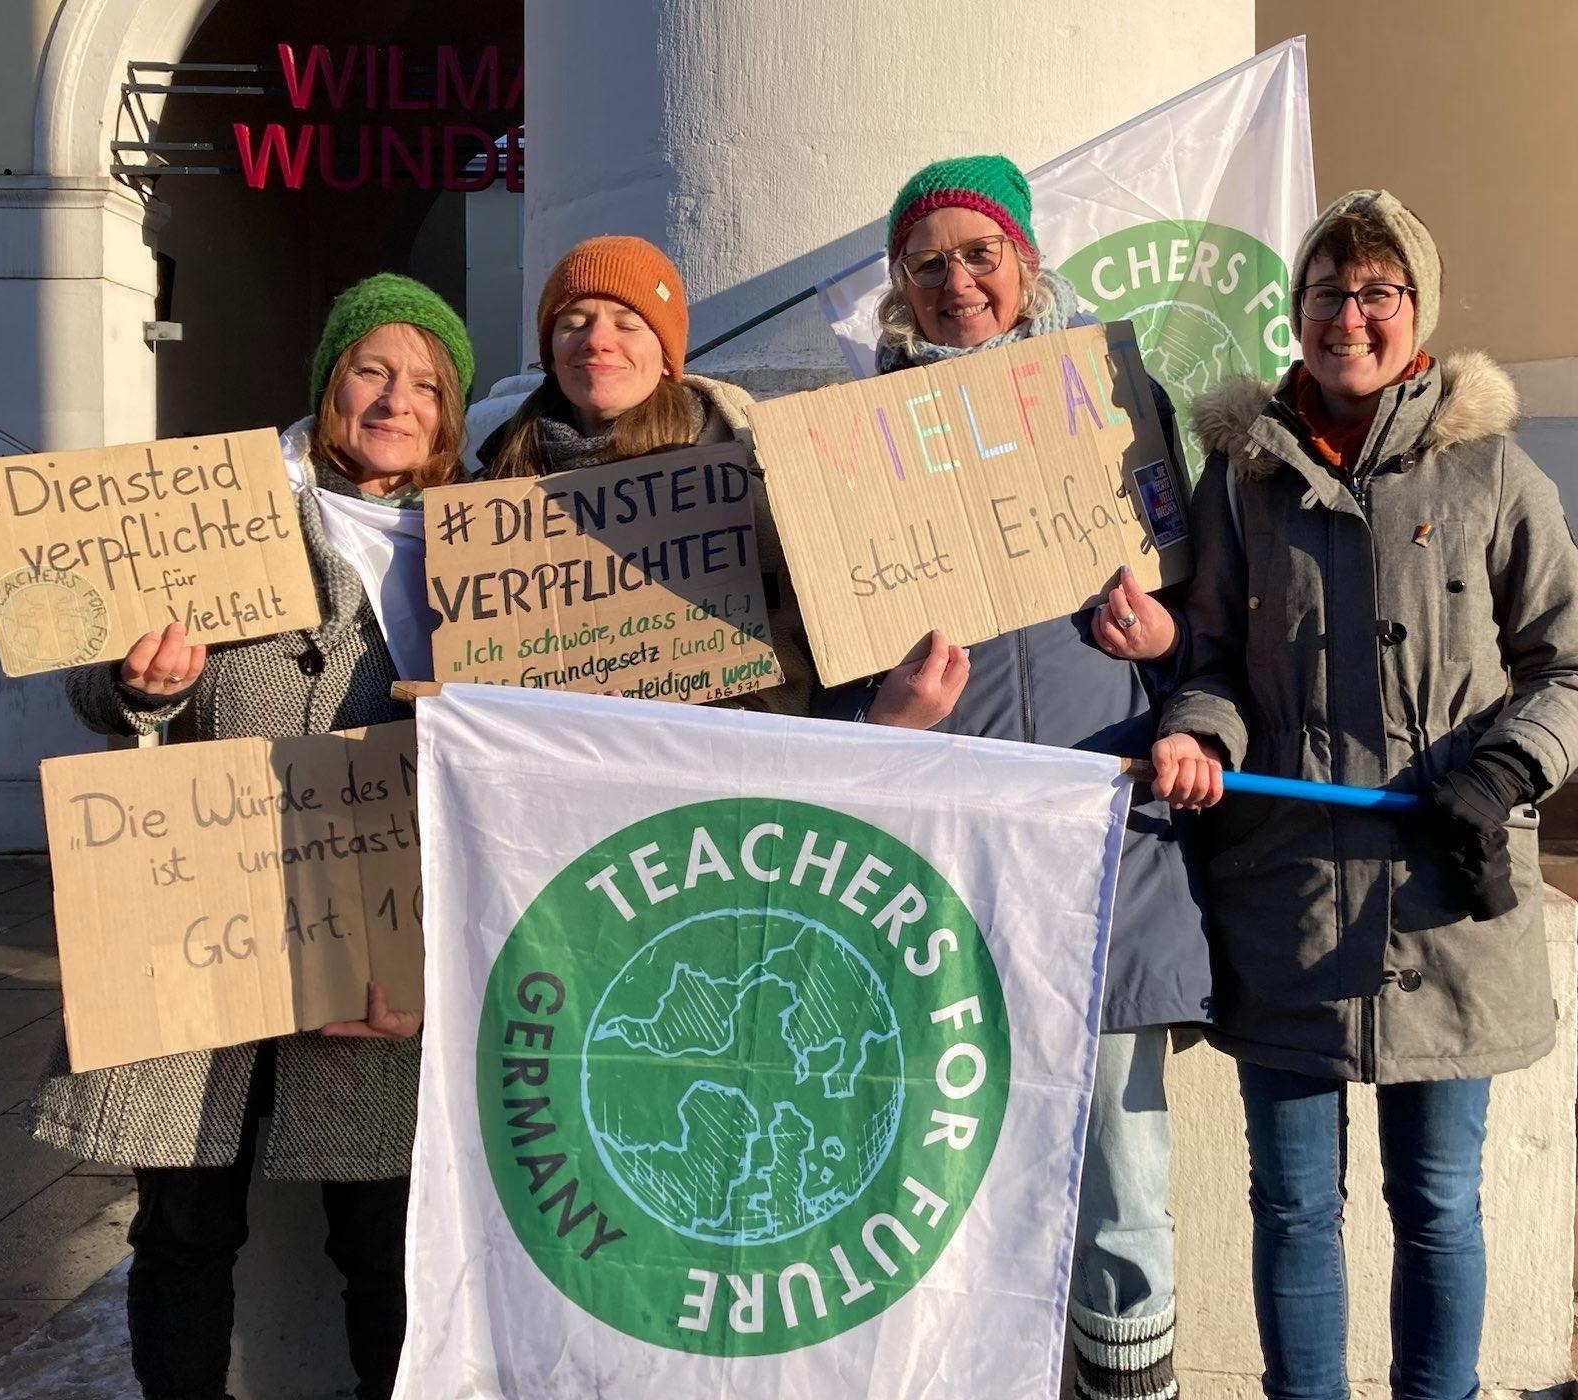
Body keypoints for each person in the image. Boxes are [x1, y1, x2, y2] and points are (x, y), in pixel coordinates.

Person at [1153, 189, 1578, 1400]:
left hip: (1451, 894)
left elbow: (1569, 661)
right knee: (1291, 1203)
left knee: (1438, 1198)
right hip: (1286, 891)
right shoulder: (1240, 480)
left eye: (1376, 292)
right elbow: (1213, 663)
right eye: (1326, 292)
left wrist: (1503, 769)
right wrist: (1196, 728)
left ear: (1417, 314)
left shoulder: (1493, 467)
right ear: (1295, 314)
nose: (1350, 314)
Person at [28, 272, 475, 1400]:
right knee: (183, 1227)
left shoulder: (476, 540)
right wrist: (141, 684)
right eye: (372, 368)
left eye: (426, 382)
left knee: (384, 1241)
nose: (395, 399)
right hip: (206, 899)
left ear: (452, 413)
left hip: (379, 915)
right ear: (330, 379)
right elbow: (94, 677)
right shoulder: (220, 505)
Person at [843, 155, 1211, 1400]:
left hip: (1111, 851)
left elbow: (1227, 625)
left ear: (1026, 262)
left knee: (1119, 1185)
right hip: (943, 871)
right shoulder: (857, 442)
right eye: (928, 262)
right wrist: (887, 713)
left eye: (979, 254)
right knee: (951, 1191)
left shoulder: (1119, 401)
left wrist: (1168, 646)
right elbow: (829, 674)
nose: (957, 282)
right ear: (899, 284)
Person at [480, 233, 811, 712]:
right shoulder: (496, 476)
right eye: (573, 323)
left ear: (665, 353)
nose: (597, 341)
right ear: (550, 352)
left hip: (722, 751)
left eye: (628, 324)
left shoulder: (752, 458)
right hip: (553, 751)